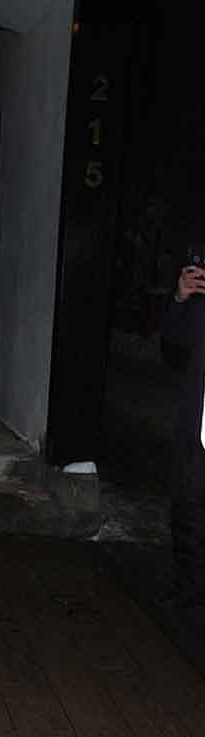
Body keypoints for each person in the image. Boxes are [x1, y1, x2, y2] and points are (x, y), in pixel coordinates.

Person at [163, 259, 205, 617]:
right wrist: (179, 298)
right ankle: (188, 590)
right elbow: (174, 349)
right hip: (199, 426)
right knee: (187, 510)